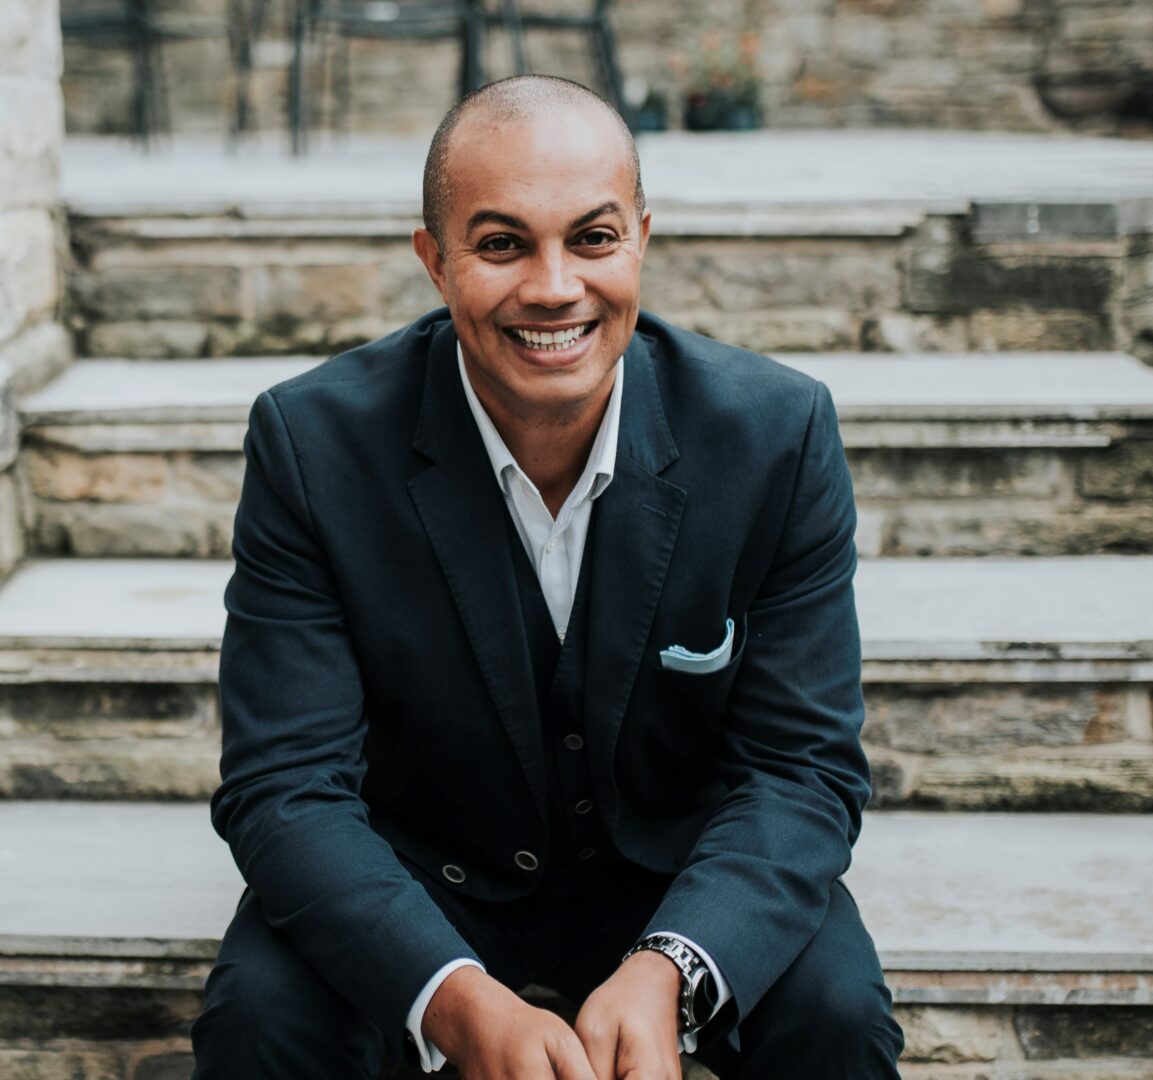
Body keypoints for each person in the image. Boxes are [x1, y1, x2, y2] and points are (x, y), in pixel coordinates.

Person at [191, 75, 904, 1079]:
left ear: (641, 240)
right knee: (261, 1018)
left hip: (673, 872)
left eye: (593, 238)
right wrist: (455, 998)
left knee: (836, 1016)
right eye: (501, 244)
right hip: (421, 873)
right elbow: (285, 787)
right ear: (433, 262)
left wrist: (671, 967)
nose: (554, 285)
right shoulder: (313, 445)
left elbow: (801, 770)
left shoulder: (773, 438)